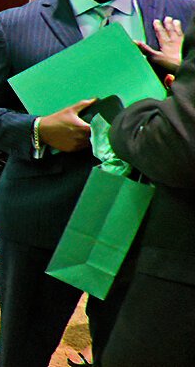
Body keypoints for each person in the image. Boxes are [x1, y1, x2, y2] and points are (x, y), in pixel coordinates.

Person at [0, 0, 195, 366]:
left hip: (142, 219)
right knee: (23, 352)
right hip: (42, 218)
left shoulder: (182, 16)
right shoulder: (14, 25)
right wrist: (37, 130)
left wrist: (174, 75)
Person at [101, 39, 193, 366]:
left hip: (171, 261)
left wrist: (138, 112)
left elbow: (176, 143)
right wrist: (38, 129)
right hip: (60, 218)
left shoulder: (174, 13)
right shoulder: (14, 24)